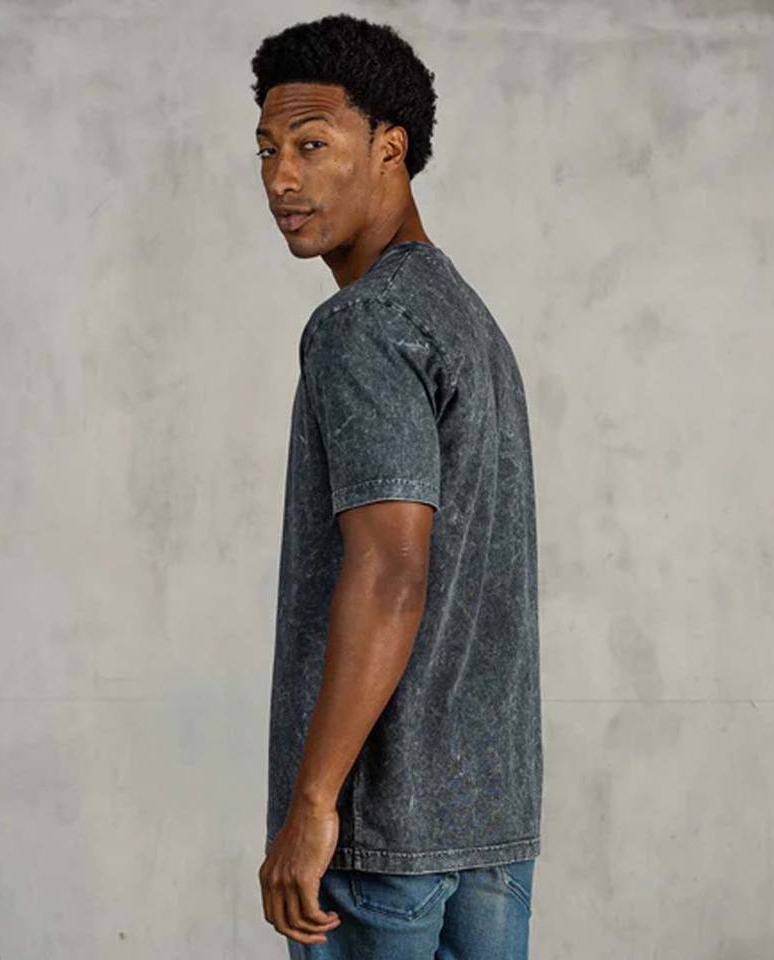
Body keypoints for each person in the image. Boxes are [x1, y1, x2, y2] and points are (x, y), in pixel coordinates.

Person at [251, 13, 544, 959]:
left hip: (379, 840)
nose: (280, 178)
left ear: (390, 148)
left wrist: (312, 803)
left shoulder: (363, 325)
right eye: (266, 149)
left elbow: (390, 573)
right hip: (488, 827)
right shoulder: (467, 321)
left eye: (311, 144)